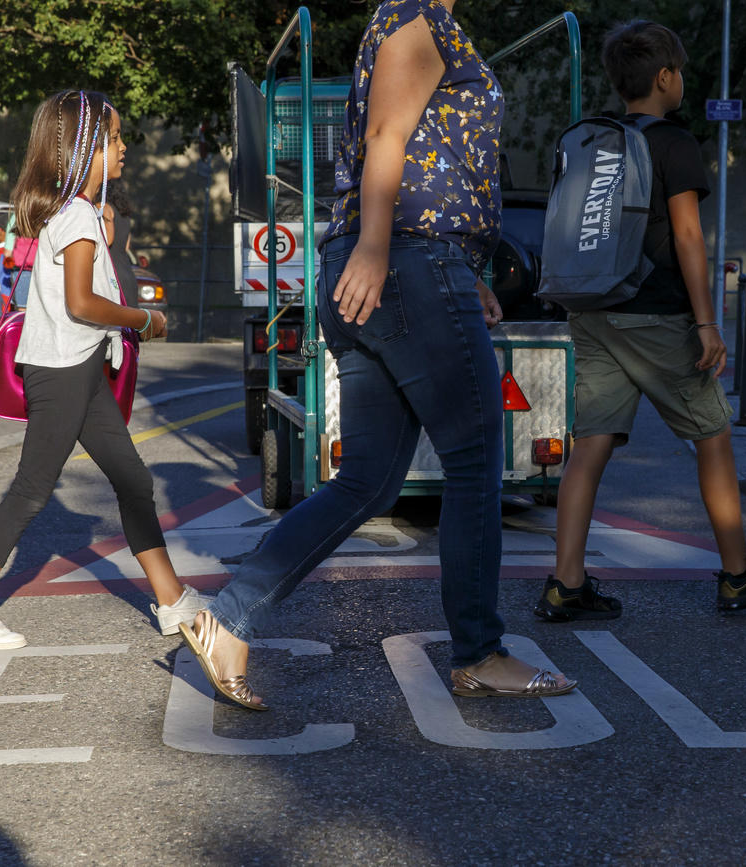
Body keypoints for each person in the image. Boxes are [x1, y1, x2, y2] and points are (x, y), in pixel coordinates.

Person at [180, 0, 576, 710]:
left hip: (412, 263)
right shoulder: (414, 19)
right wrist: (377, 249)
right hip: (405, 261)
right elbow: (390, 136)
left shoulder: (410, 23)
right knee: (477, 452)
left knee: (366, 480)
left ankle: (229, 618)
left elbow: (430, 152)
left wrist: (463, 273)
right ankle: (480, 652)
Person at [535, 20, 746, 622]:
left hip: (593, 309)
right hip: (655, 313)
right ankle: (739, 573)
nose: (682, 81)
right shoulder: (674, 141)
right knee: (711, 435)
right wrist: (707, 323)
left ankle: (565, 584)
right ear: (664, 77)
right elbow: (687, 235)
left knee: (591, 445)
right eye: (679, 72)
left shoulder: (590, 138)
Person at [0, 90, 207, 650]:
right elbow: (83, 304)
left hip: (79, 367)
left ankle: (172, 600)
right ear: (86, 150)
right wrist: (144, 319)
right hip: (63, 370)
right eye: (113, 139)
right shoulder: (78, 215)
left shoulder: (74, 212)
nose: (124, 147)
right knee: (34, 488)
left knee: (133, 479)